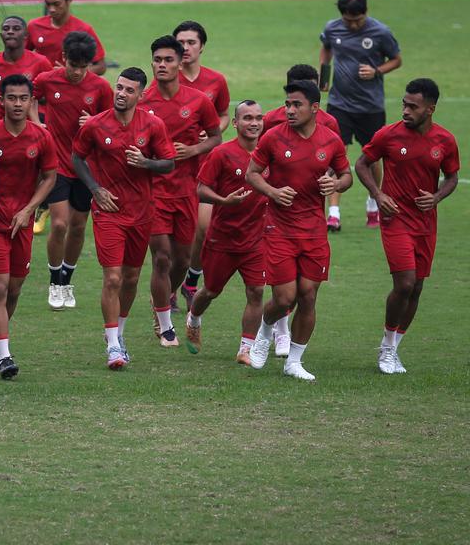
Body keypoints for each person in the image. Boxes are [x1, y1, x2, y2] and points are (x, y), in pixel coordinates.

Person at [246, 80, 352, 382]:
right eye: (287, 104)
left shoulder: (330, 141)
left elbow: (346, 175)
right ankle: (265, 329)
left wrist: (336, 184)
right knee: (284, 298)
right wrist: (273, 192)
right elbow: (253, 174)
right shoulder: (273, 138)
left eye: (296, 105)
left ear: (314, 108)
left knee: (308, 296)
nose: (289, 110)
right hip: (279, 227)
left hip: (314, 231)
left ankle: (294, 361)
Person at [71, 67, 176, 370]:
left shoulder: (153, 125)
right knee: (113, 277)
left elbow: (168, 164)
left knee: (131, 278)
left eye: (129, 90)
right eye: (119, 87)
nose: (121, 93)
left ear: (141, 95)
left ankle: (119, 335)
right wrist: (95, 188)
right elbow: (77, 157)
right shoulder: (94, 125)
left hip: (142, 213)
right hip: (109, 212)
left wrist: (146, 162)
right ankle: (113, 346)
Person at [355, 78, 459, 374]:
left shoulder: (445, 141)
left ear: (430, 109)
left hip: (425, 223)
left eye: (413, 106)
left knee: (417, 288)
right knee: (405, 283)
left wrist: (437, 196)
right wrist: (378, 194)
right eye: (404, 104)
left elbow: (451, 177)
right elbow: (362, 164)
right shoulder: (388, 135)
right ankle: (386, 348)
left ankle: (394, 348)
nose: (405, 110)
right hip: (395, 218)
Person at [139, 36, 221, 344]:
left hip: (187, 190)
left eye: (168, 60)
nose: (162, 65)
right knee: (161, 257)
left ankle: (165, 294)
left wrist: (192, 150)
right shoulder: (143, 101)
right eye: (157, 60)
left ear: (179, 63)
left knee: (183, 260)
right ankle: (164, 321)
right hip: (153, 191)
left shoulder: (198, 100)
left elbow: (215, 137)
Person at [0, 74, 58, 379]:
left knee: (14, 289)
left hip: (20, 223)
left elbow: (50, 177)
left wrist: (29, 210)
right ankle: (5, 355)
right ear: (1, 100)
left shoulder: (41, 137)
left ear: (32, 101)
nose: (18, 104)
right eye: (12, 98)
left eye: (24, 98)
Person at [33, 31, 113, 310]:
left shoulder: (101, 88)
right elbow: (30, 97)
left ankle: (67, 278)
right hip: (56, 164)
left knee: (78, 227)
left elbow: (111, 122)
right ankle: (54, 281)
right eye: (73, 65)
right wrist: (36, 124)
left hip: (86, 166)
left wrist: (94, 121)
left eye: (83, 66)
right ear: (63, 58)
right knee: (59, 223)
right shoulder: (46, 79)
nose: (78, 72)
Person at [184, 100, 266, 363]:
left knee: (256, 291)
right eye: (247, 118)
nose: (254, 123)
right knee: (210, 291)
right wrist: (224, 201)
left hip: (256, 239)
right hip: (223, 238)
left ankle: (245, 348)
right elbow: (201, 190)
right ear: (235, 123)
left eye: (258, 118)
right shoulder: (221, 154)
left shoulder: (269, 154)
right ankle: (194, 318)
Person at [319, 0, 402, 231]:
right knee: (335, 156)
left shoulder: (381, 32)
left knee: (373, 157)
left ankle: (373, 203)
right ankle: (334, 213)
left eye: (358, 20)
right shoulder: (332, 28)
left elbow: (397, 59)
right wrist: (324, 75)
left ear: (366, 12)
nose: (354, 25)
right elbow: (326, 49)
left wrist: (377, 71)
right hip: (339, 104)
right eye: (348, 20)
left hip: (370, 106)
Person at [174, 20, 231, 309]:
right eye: (181, 42)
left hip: (206, 163)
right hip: (175, 167)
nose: (186, 48)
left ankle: (191, 280)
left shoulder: (216, 81)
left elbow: (223, 116)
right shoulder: (168, 79)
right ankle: (170, 284)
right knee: (174, 240)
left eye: (191, 42)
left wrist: (209, 131)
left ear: (202, 46)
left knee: (204, 228)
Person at [0, 16, 50, 125]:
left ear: (25, 36)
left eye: (16, 28)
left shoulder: (41, 62)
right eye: (6, 29)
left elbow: (50, 92)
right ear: (1, 35)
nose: (10, 32)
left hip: (29, 128)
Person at [26, 0, 106, 75]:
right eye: (48, 4)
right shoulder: (34, 26)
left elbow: (101, 66)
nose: (52, 9)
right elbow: (22, 57)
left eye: (57, 4)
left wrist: (71, 72)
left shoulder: (83, 30)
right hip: (40, 86)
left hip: (69, 86)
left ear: (69, 0)